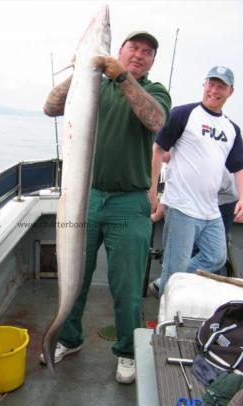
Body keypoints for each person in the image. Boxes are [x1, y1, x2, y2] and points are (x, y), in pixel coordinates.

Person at [42, 31, 171, 383]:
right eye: (134, 47)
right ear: (119, 50)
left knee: (127, 285)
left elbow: (157, 121)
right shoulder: (93, 86)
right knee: (74, 274)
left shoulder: (155, 92)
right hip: (87, 197)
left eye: (148, 52)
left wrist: (120, 76)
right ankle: (68, 337)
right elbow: (51, 107)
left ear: (152, 62)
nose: (140, 55)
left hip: (130, 203)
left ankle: (128, 350)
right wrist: (83, 68)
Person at [149, 66, 243, 298]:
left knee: (215, 256)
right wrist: (151, 190)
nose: (214, 90)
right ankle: (166, 316)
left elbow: (238, 167)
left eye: (221, 86)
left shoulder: (232, 129)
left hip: (211, 210)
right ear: (204, 85)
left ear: (231, 91)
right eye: (211, 84)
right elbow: (159, 149)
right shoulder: (183, 113)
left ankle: (170, 281)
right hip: (181, 206)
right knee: (175, 266)